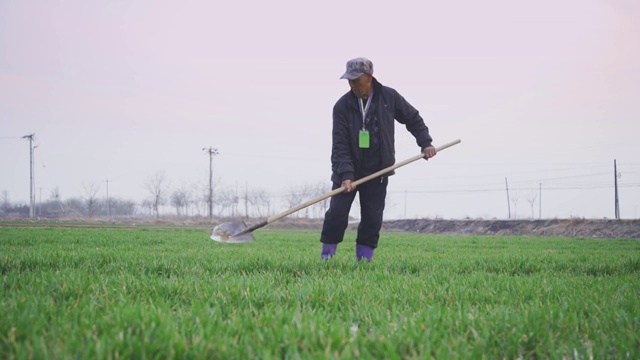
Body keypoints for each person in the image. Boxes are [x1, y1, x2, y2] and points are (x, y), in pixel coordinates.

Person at [320, 57, 437, 262]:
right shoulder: (342, 106)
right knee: (336, 215)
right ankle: (327, 257)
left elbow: (413, 118)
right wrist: (346, 175)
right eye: (349, 80)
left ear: (369, 77)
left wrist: (425, 143)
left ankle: (364, 262)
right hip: (347, 172)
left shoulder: (388, 97)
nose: (352, 84)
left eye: (356, 80)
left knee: (372, 219)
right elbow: (339, 145)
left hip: (378, 172)